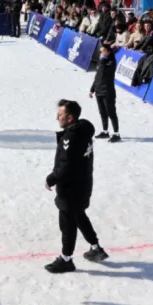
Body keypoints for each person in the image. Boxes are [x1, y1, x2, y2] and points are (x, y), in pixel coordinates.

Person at [44, 100, 108, 274]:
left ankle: (66, 260)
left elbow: (66, 165)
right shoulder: (82, 130)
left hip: (71, 189)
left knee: (68, 224)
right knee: (79, 215)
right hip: (83, 184)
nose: (57, 118)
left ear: (70, 118)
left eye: (60, 115)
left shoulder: (70, 137)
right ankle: (96, 248)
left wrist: (51, 178)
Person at [89, 45, 120, 142]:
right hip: (99, 90)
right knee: (102, 112)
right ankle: (105, 131)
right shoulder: (102, 61)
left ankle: (116, 134)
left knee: (111, 112)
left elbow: (103, 68)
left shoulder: (111, 62)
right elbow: (97, 76)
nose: (101, 53)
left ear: (108, 52)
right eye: (100, 51)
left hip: (108, 91)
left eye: (103, 51)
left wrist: (102, 60)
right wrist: (92, 89)